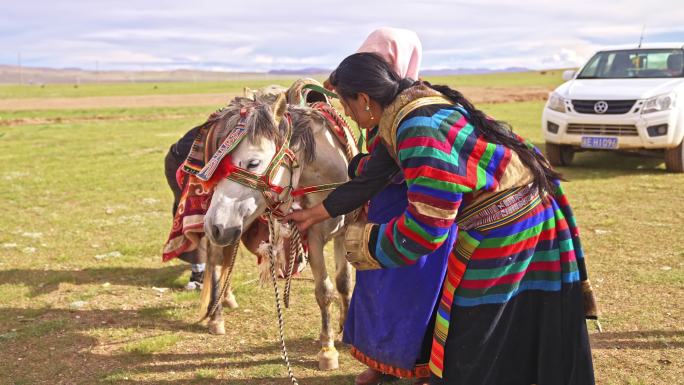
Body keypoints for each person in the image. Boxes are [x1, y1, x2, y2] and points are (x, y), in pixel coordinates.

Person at [287, 52, 595, 385]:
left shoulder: (418, 130)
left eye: (346, 106)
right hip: (513, 207)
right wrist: (312, 214)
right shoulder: (405, 108)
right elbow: (372, 177)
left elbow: (426, 228)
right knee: (488, 321)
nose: (346, 114)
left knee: (473, 328)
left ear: (364, 99)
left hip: (510, 220)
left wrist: (363, 244)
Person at [164, 125, 206, 290]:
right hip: (182, 165)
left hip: (201, 166)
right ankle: (198, 276)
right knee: (195, 214)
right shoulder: (232, 130)